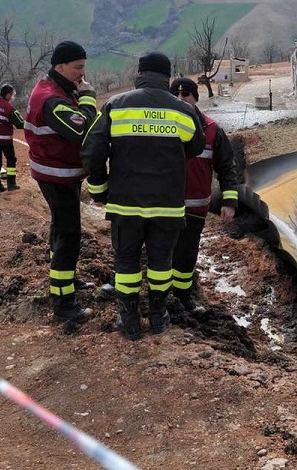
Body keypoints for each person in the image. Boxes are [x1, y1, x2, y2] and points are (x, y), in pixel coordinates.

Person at [81, 52, 204, 340]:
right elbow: (196, 147)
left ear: (139, 74)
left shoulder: (116, 105)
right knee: (161, 263)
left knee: (126, 262)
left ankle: (130, 322)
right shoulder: (183, 111)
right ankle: (158, 317)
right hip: (167, 205)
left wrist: (99, 188)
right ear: (168, 77)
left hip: (126, 203)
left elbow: (92, 150)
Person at [24, 40, 98, 324]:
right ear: (60, 66)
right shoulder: (51, 99)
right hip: (56, 174)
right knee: (69, 235)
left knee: (61, 227)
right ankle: (64, 301)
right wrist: (88, 97)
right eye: (78, 67)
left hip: (60, 171)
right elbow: (84, 129)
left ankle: (66, 278)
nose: (82, 73)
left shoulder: (60, 88)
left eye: (83, 67)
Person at [167, 77, 243, 312]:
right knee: (161, 252)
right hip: (164, 206)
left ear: (195, 98)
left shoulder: (212, 129)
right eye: (176, 94)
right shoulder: (163, 125)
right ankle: (160, 298)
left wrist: (229, 201)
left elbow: (226, 167)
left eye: (186, 94)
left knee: (187, 254)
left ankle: (184, 297)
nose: (180, 99)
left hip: (195, 207)